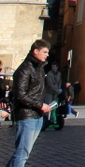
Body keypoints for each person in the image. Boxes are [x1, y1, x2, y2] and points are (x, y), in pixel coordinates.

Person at [5, 39, 52, 167]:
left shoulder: (39, 68)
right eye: (45, 52)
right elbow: (20, 95)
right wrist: (40, 105)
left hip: (37, 115)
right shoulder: (24, 70)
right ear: (35, 51)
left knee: (24, 153)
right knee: (22, 153)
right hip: (26, 116)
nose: (47, 55)